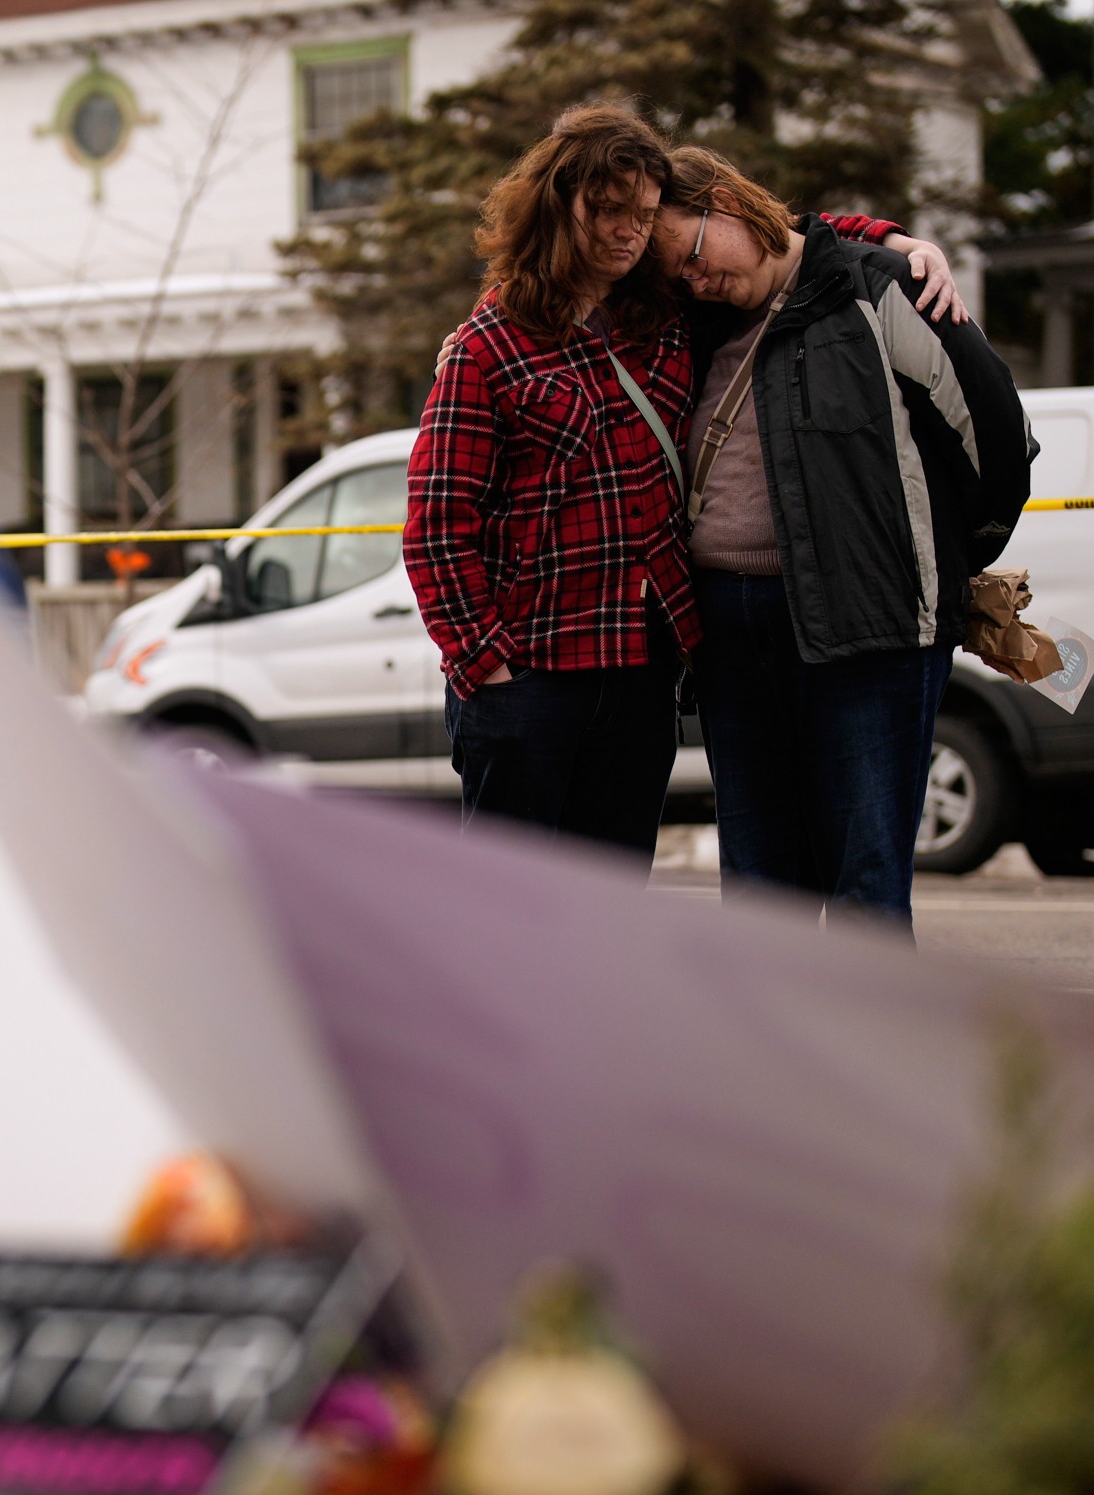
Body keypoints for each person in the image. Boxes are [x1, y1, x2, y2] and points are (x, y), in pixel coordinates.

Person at [406, 108, 951, 864]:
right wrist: (487, 668)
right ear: (561, 204)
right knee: (512, 930)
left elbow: (776, 238)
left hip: (639, 676)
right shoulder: (486, 347)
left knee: (614, 925)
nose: (631, 231)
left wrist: (891, 239)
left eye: (645, 213)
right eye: (610, 210)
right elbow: (436, 527)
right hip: (530, 680)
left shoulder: (666, 314)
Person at [651, 148, 1030, 928]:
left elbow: (998, 442)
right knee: (761, 896)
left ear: (725, 202)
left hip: (870, 630)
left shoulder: (879, 288)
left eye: (693, 256)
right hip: (730, 632)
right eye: (678, 278)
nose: (695, 281)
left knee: (866, 888)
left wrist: (936, 564)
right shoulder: (687, 328)